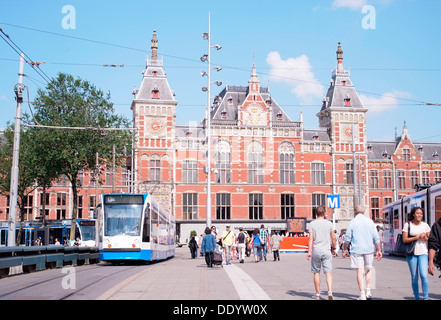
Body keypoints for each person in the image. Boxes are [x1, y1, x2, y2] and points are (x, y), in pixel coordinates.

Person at [343, 205, 382, 300]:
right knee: (368, 269)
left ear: (354, 212)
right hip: (369, 249)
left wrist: (344, 250)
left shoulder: (352, 222)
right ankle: (368, 291)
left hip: (357, 250)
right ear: (364, 212)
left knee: (360, 271)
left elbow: (347, 238)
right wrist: (379, 250)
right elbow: (376, 237)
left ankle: (362, 294)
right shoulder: (370, 222)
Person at [307, 205, 336, 300]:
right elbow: (333, 238)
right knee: (328, 273)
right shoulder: (329, 224)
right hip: (327, 250)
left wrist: (309, 251)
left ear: (316, 214)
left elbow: (310, 239)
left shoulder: (312, 224)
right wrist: (334, 248)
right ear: (324, 214)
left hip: (316, 250)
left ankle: (318, 294)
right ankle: (330, 292)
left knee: (316, 272)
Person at [402, 207, 431, 300]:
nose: (419, 215)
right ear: (413, 214)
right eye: (418, 213)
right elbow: (405, 240)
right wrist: (417, 237)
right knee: (414, 276)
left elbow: (430, 240)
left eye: (421, 214)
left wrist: (424, 237)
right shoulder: (407, 225)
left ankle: (425, 297)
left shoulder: (425, 225)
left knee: (423, 275)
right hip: (411, 253)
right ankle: (417, 297)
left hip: (423, 253)